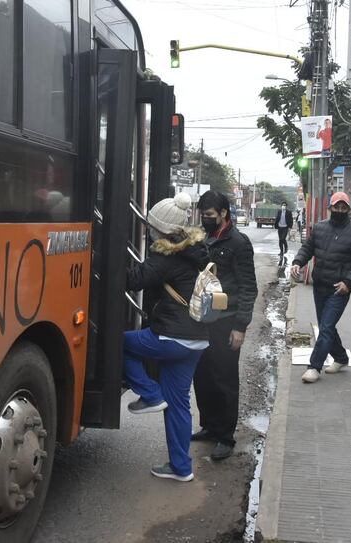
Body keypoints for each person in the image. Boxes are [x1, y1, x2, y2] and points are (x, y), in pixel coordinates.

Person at [124, 192, 210, 481]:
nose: (147, 229)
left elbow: (134, 279)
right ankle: (181, 467)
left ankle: (149, 394)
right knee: (179, 403)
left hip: (173, 337)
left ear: (160, 228)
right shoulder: (196, 250)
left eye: (150, 225)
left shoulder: (167, 254)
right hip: (197, 338)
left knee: (118, 343)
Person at [191, 190, 258, 460]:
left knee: (224, 379)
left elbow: (248, 288)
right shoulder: (202, 238)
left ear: (223, 214)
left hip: (226, 320)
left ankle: (225, 437)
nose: (205, 220)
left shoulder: (238, 243)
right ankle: (209, 426)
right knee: (203, 376)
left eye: (209, 216)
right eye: (202, 215)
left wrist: (240, 326)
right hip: (202, 319)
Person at [291, 192, 351, 383]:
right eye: (337, 207)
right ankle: (341, 357)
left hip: (339, 288)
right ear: (330, 208)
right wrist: (297, 262)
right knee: (328, 326)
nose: (340, 210)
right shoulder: (319, 228)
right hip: (320, 286)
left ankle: (314, 367)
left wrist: (349, 282)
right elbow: (307, 248)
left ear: (349, 210)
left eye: (344, 207)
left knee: (325, 327)